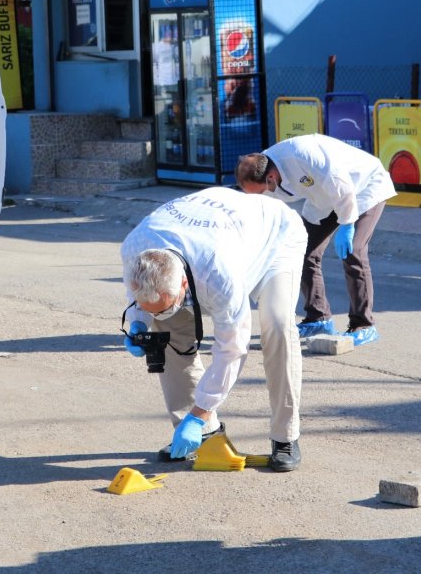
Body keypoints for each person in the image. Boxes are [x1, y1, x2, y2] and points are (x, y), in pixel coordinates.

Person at [121, 187, 307, 472]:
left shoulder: (218, 273)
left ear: (184, 284)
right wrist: (139, 321)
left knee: (278, 326)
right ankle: (203, 434)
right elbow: (138, 296)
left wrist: (201, 409)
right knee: (167, 334)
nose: (163, 313)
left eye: (167, 305)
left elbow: (232, 349)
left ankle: (285, 436)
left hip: (275, 238)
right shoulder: (135, 248)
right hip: (220, 233)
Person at [236, 133, 397, 346]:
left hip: (363, 187)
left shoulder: (306, 156)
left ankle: (364, 324)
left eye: (262, 191)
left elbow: (344, 189)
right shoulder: (261, 169)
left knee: (354, 250)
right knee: (302, 250)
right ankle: (318, 317)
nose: (261, 196)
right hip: (323, 197)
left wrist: (347, 224)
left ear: (271, 178)